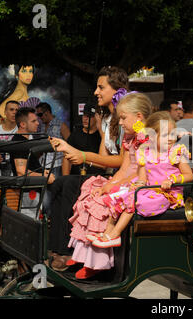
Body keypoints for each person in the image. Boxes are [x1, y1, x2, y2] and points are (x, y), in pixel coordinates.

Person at [50, 92, 153, 279]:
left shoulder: (149, 138)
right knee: (89, 193)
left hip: (139, 184)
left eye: (123, 118)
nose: (120, 123)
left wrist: (113, 187)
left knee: (102, 203)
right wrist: (110, 183)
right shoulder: (130, 137)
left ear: (139, 116)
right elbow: (123, 168)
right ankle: (82, 254)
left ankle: (98, 262)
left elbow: (139, 173)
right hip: (125, 181)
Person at [45, 66, 132, 272]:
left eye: (101, 87)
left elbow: (124, 162)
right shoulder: (108, 119)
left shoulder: (127, 120)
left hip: (124, 178)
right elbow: (104, 159)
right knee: (60, 182)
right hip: (109, 174)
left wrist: (82, 155)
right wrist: (75, 154)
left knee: (70, 185)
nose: (95, 92)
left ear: (116, 90)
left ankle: (67, 252)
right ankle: (56, 248)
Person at [89, 111, 193, 250]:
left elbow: (189, 175)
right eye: (165, 135)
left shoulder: (176, 152)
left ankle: (115, 234)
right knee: (121, 197)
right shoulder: (145, 153)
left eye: (172, 134)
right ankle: (108, 230)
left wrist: (173, 179)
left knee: (133, 201)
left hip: (167, 196)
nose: (170, 139)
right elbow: (143, 178)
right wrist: (137, 185)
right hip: (149, 190)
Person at [62, 104, 105, 176]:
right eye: (84, 115)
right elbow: (66, 158)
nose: (85, 118)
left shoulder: (102, 136)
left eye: (89, 116)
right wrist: (65, 178)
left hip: (96, 178)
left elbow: (105, 163)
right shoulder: (75, 134)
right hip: (76, 177)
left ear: (97, 118)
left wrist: (84, 158)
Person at [36, 102, 70, 177]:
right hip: (43, 164)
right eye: (38, 115)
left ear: (47, 112)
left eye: (40, 114)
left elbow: (70, 144)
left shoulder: (61, 125)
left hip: (57, 164)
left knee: (55, 187)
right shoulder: (41, 126)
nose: (39, 117)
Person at [0, 100, 19, 176]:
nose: (14, 112)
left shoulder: (23, 131)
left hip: (17, 171)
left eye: (17, 110)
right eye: (11, 109)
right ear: (5, 112)